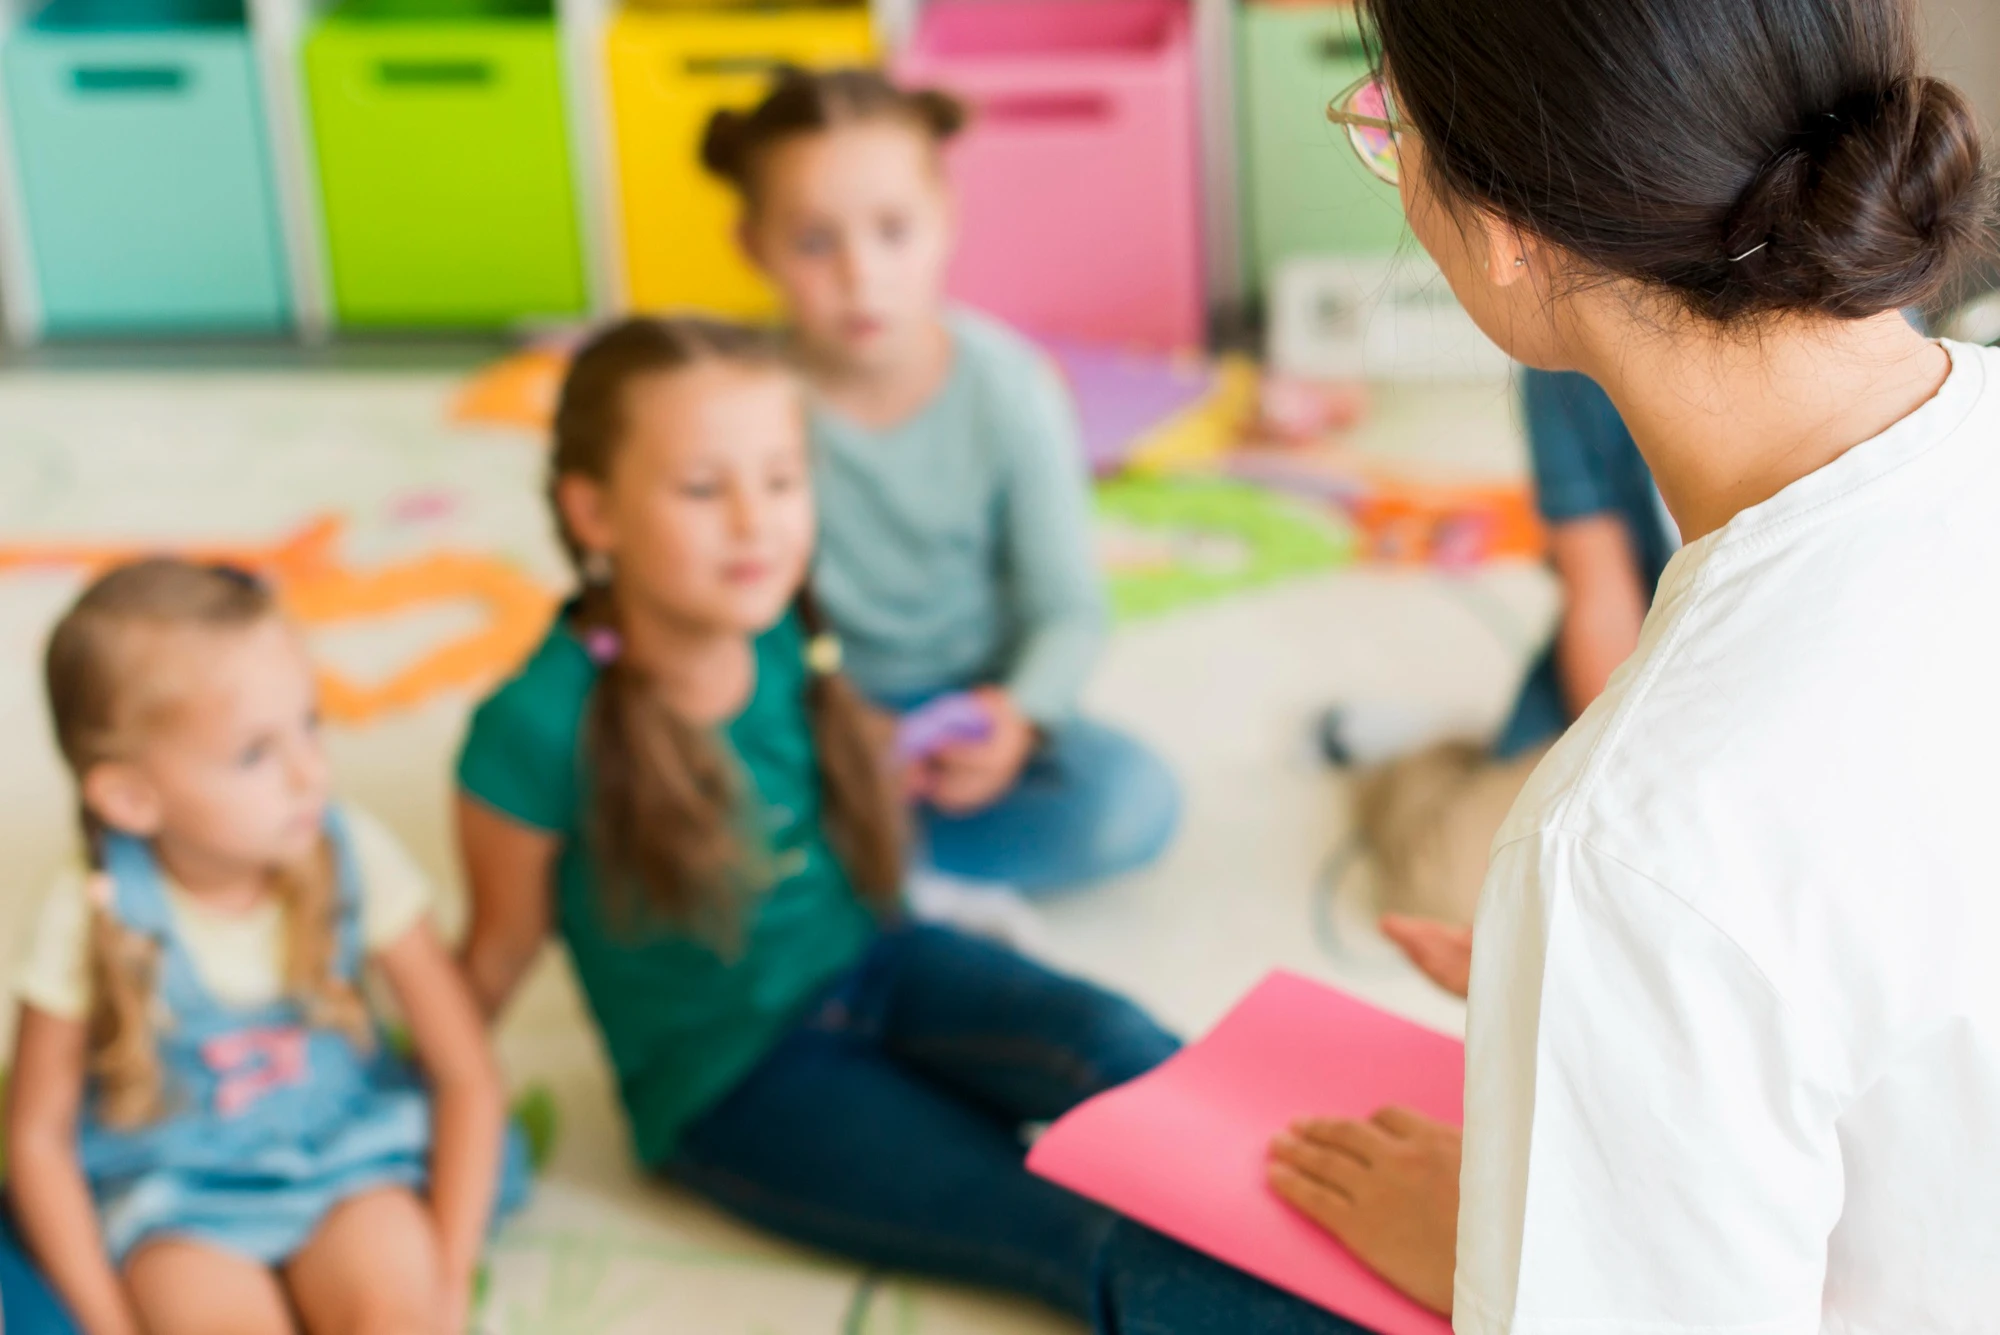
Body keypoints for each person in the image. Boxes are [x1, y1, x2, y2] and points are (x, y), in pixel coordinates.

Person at [1099, 0, 2000, 1327]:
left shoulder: (1631, 839)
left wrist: (1498, 1237)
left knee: (1158, 1268)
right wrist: (1648, 1013)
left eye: (1390, 121)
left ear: (1516, 230)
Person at [452, 317, 1182, 1323]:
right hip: (735, 1085)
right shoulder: (529, 729)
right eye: (704, 489)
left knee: (1128, 1051)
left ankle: (1418, 1247)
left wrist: (941, 743)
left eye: (782, 480)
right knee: (1067, 1221)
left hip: (875, 961)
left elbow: (820, 758)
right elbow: (491, 955)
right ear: (594, 513)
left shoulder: (781, 620)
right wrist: (408, 1106)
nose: (756, 523)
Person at [3, 559, 527, 1335]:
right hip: (179, 1194)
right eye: (255, 753)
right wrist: (111, 1322)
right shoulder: (92, 908)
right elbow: (37, 1137)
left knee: (391, 1307)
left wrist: (447, 1279)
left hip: (349, 1157)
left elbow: (467, 1074)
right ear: (130, 798)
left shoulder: (351, 852)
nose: (310, 772)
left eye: (310, 723)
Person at [699, 67, 1181, 898]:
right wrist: (834, 725)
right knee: (663, 783)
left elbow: (1067, 610)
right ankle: (855, 848)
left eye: (892, 230)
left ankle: (873, 863)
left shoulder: (1009, 386)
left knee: (1131, 801)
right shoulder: (742, 403)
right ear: (754, 246)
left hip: (972, 711)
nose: (860, 275)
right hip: (812, 717)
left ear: (946, 218)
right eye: (815, 242)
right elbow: (723, 621)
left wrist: (1017, 719)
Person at [1325, 369, 1675, 924]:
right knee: (1461, 893)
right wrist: (1626, 791)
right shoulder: (1566, 352)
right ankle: (1438, 762)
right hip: (1638, 689)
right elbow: (1601, 593)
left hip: (1786, 709)